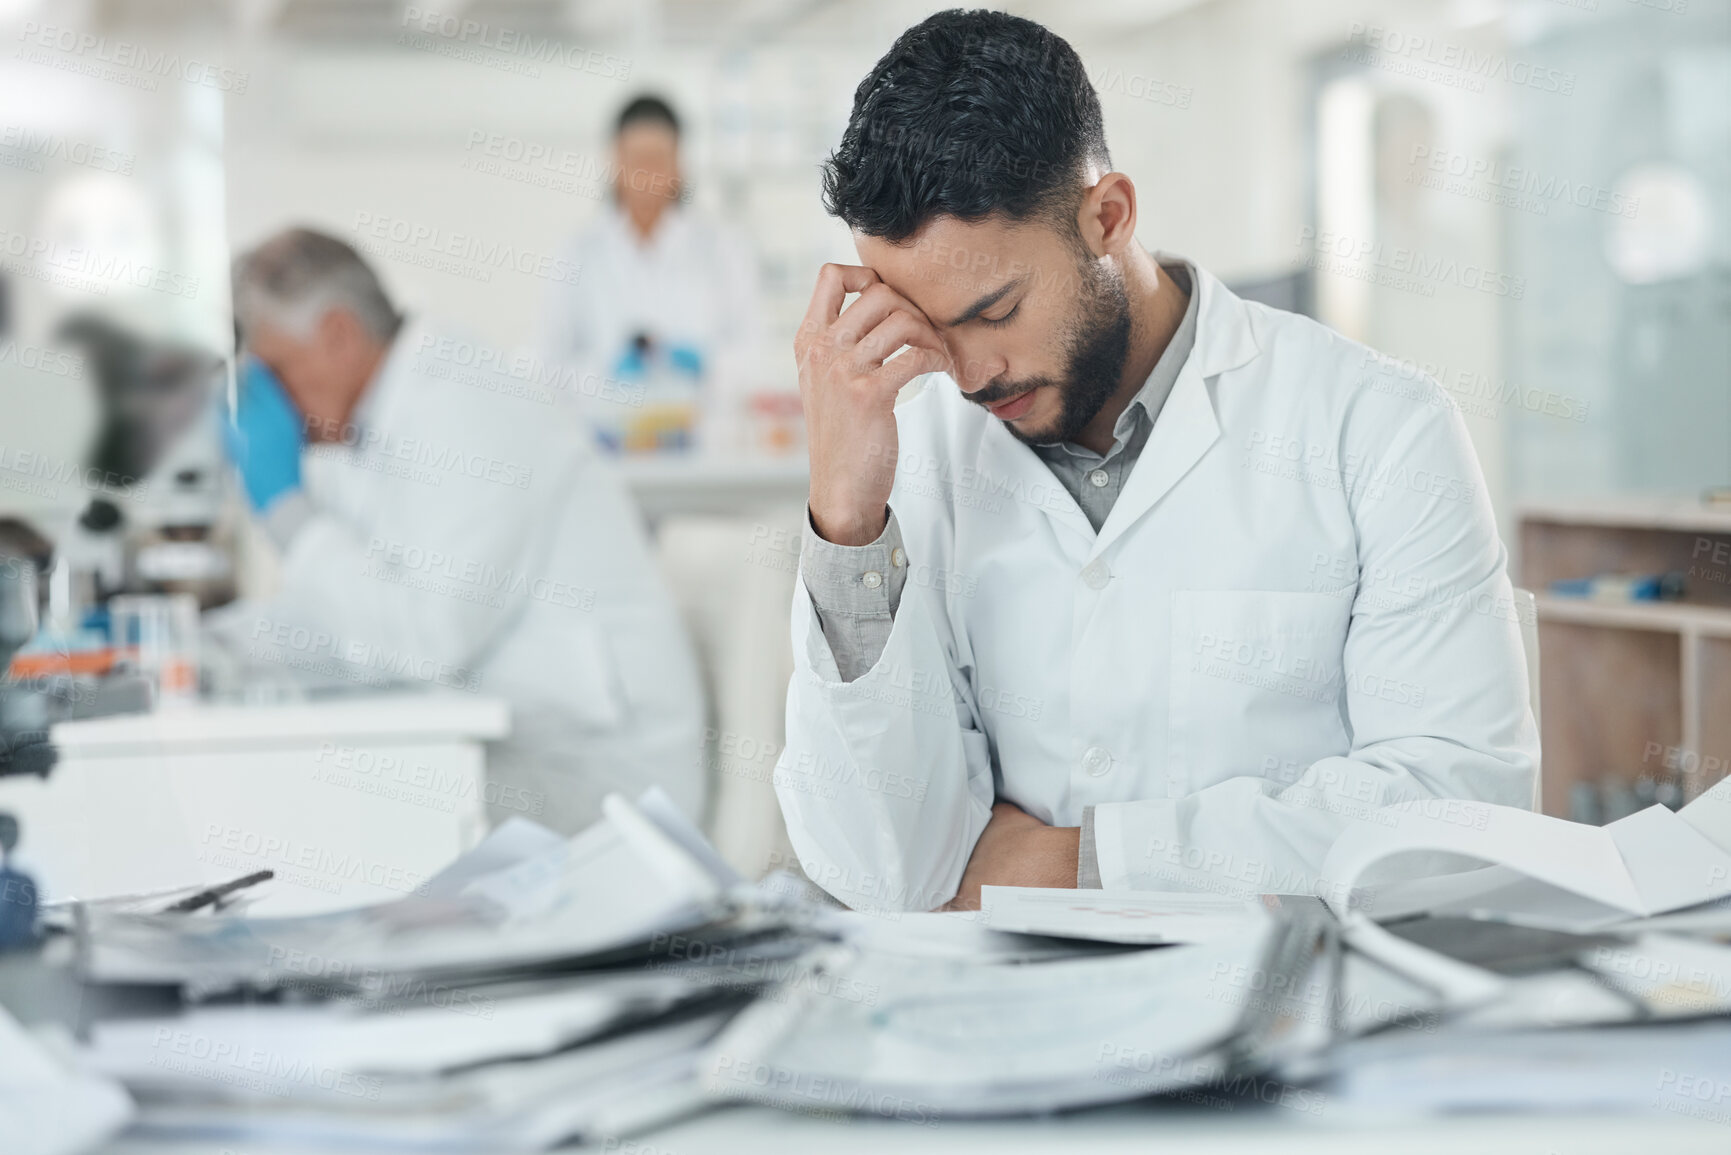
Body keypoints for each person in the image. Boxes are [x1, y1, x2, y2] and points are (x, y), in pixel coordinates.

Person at [776, 11, 1539, 912]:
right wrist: (848, 520)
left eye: (994, 310)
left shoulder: (1375, 427)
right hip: (1006, 1019)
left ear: (1107, 215)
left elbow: (1458, 817)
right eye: (931, 331)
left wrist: (1080, 862)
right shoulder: (910, 465)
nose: (972, 373)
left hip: (1300, 1021)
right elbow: (876, 867)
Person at [216, 228, 705, 833]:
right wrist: (215, 646)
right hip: (519, 744)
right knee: (297, 791)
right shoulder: (373, 426)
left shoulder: (464, 404)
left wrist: (290, 514)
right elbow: (349, 618)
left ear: (338, 334)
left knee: (331, 816)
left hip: (603, 776)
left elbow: (427, 640)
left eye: (278, 374)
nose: (275, 407)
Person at [542, 95, 763, 450]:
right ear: (614, 162)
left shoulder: (723, 249)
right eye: (635, 159)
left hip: (704, 451)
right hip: (607, 453)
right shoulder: (578, 252)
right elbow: (549, 364)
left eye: (657, 159)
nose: (646, 172)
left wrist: (701, 368)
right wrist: (608, 376)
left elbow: (752, 353)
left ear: (679, 165)